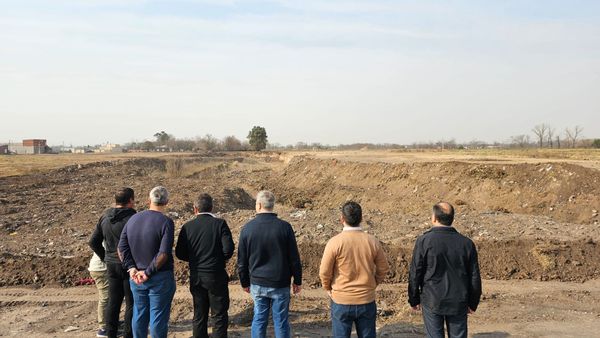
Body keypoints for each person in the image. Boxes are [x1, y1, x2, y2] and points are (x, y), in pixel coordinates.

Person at [408, 202, 482, 338]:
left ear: (434, 218)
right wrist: (473, 302)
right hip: (459, 301)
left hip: (432, 300)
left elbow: (415, 273)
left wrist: (414, 299)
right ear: (452, 218)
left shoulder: (424, 241)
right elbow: (474, 277)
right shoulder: (466, 243)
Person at [319, 201, 389, 338]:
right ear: (362, 219)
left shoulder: (335, 242)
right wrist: (373, 283)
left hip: (341, 300)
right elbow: (384, 268)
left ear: (342, 219)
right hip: (366, 300)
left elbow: (324, 272)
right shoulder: (372, 241)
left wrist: (328, 288)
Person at [237, 190, 302, 338]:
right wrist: (297, 280)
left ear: (259, 205)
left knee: (259, 319)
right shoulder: (285, 227)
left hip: (258, 283)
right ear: (272, 206)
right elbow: (294, 258)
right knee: (281, 321)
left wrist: (244, 282)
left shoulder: (247, 228)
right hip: (280, 283)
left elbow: (242, 261)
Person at [118, 186, 176, 338]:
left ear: (148, 200)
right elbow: (163, 254)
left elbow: (121, 247)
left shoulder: (133, 219)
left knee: (139, 313)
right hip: (159, 276)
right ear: (167, 202)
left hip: (136, 277)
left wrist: (131, 268)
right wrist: (148, 272)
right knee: (158, 316)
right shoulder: (166, 222)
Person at [175, 193, 234, 338]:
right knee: (219, 315)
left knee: (199, 314)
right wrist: (217, 259)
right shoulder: (220, 224)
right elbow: (228, 250)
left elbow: (179, 253)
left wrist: (194, 260)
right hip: (216, 276)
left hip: (197, 277)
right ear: (212, 207)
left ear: (195, 209)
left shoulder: (187, 227)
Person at [89, 187, 137, 338]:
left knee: (113, 302)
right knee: (131, 303)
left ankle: (111, 334)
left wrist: (106, 257)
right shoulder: (133, 217)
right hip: (129, 265)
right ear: (130, 201)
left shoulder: (105, 217)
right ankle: (129, 334)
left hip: (111, 265)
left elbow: (93, 241)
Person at [88, 252, 109, 337]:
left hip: (101, 267)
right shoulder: (102, 238)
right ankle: (103, 328)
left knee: (110, 297)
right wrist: (104, 258)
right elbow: (93, 242)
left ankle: (109, 322)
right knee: (105, 298)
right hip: (101, 269)